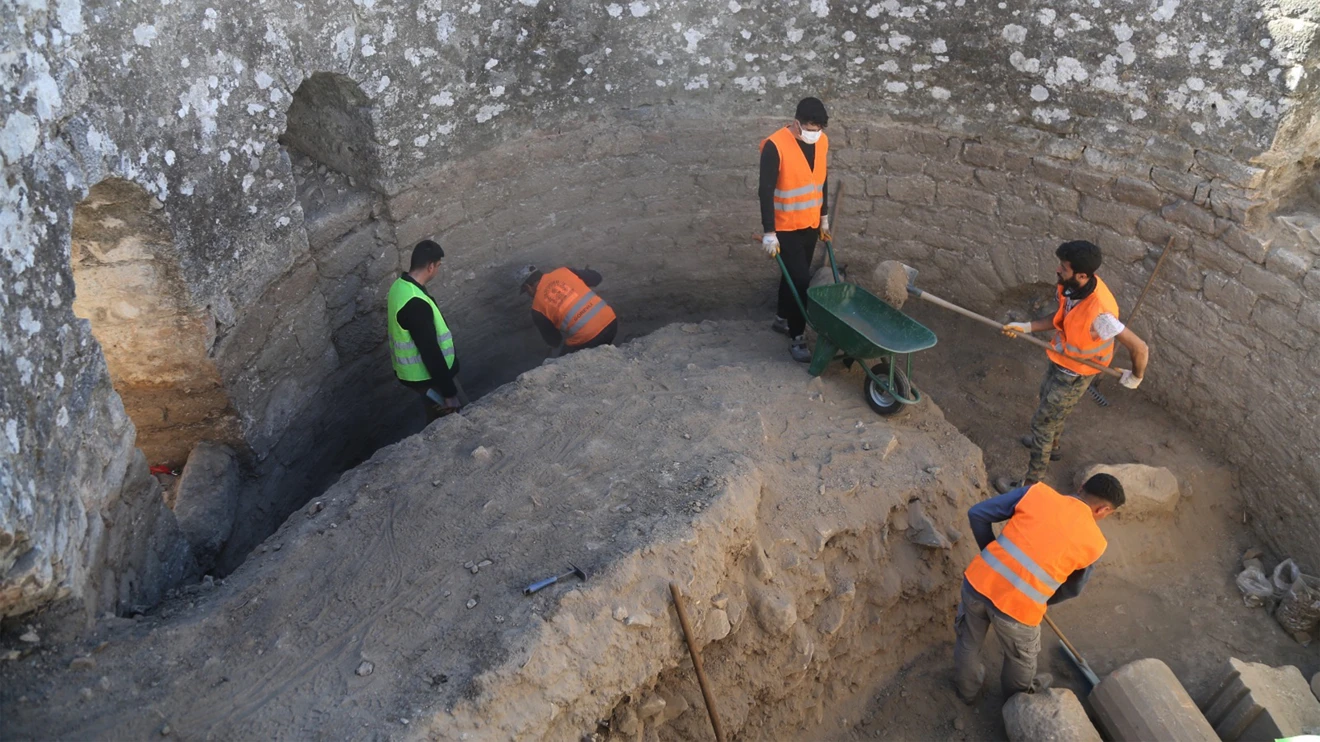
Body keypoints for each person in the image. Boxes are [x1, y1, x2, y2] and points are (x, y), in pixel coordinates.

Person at [954, 474, 1125, 703]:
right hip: (1019, 609)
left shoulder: (1036, 493)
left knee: (968, 641)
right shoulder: (1095, 543)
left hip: (977, 582)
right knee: (1020, 660)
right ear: (1103, 510)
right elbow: (1073, 589)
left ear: (1082, 486)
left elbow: (977, 514)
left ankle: (966, 692)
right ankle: (1017, 704)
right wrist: (1041, 599)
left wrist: (992, 555)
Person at [995, 240, 1150, 493]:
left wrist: (1136, 377)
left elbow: (1140, 348)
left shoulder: (1101, 313)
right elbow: (1061, 318)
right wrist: (1027, 326)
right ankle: (1051, 446)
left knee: (1043, 423)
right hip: (1062, 360)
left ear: (1082, 274)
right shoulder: (1071, 288)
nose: (1058, 270)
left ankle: (1030, 487)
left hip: (1076, 373)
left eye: (1063, 268)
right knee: (1047, 400)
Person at [759, 96, 831, 363]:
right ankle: (797, 337)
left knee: (791, 274)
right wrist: (769, 232)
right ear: (796, 123)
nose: (814, 134)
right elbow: (764, 192)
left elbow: (822, 179)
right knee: (800, 280)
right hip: (785, 227)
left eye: (818, 129)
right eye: (809, 129)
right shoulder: (775, 146)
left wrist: (824, 218)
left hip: (810, 224)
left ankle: (781, 317)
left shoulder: (822, 142)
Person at [387, 240, 462, 423]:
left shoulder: (400, 286)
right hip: (428, 378)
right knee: (445, 421)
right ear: (430, 266)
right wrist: (449, 392)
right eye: (438, 266)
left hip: (418, 376)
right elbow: (430, 351)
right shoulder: (415, 304)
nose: (437, 270)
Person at [518, 265, 618, 355]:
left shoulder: (537, 308)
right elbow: (597, 278)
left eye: (526, 291)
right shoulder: (564, 271)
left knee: (560, 364)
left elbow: (555, 341)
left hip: (589, 340)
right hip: (611, 322)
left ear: (528, 287)